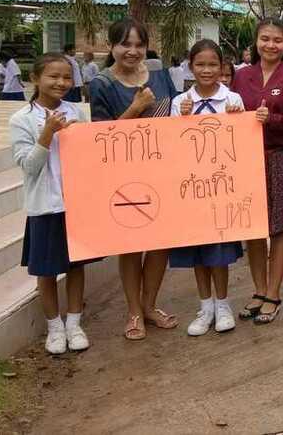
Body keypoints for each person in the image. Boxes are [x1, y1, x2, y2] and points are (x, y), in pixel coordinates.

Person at [89, 18, 178, 340]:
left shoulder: (160, 74)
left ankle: (150, 305)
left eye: (139, 45)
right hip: (123, 177)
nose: (133, 51)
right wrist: (136, 108)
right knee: (130, 245)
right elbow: (100, 136)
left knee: (161, 244)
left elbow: (176, 116)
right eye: (125, 44)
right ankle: (134, 312)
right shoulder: (101, 84)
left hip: (163, 171)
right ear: (111, 46)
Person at [10, 53, 90, 354]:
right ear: (35, 78)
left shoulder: (75, 112)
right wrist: (47, 133)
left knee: (76, 267)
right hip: (45, 206)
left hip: (74, 204)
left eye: (67, 77)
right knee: (46, 270)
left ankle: (74, 323)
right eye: (53, 76)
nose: (61, 83)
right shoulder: (21, 119)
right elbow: (29, 167)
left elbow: (87, 158)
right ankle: (54, 327)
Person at [171, 40, 246, 336]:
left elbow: (241, 141)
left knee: (219, 252)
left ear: (222, 67)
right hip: (191, 190)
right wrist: (183, 120)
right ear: (190, 66)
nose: (206, 70)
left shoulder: (233, 99)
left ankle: (223, 304)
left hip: (222, 189)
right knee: (197, 251)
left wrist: (238, 119)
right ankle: (205, 307)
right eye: (200, 65)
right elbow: (172, 145)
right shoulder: (180, 102)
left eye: (213, 64)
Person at [232, 18, 283, 325]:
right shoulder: (241, 76)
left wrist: (271, 119)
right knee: (254, 228)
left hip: (281, 158)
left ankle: (273, 294)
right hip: (247, 160)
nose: (270, 45)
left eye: (277, 40)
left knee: (279, 228)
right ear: (256, 41)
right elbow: (230, 113)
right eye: (265, 39)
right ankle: (259, 290)